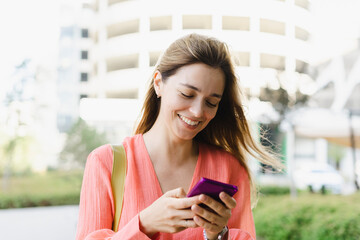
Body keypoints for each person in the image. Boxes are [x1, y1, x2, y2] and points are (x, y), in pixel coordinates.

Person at [75, 33, 281, 240]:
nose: (198, 112)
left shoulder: (229, 169)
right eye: (187, 94)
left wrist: (218, 235)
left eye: (211, 102)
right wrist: (144, 224)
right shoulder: (106, 163)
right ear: (158, 83)